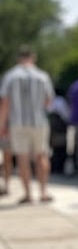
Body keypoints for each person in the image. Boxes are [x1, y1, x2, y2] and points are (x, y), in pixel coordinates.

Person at [0, 45, 55, 204]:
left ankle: (28, 194)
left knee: (22, 158)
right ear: (33, 57)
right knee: (42, 155)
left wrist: (2, 124)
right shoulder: (42, 76)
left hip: (18, 122)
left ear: (19, 58)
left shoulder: (10, 76)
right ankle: (44, 191)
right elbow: (48, 100)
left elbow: (5, 103)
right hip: (39, 122)